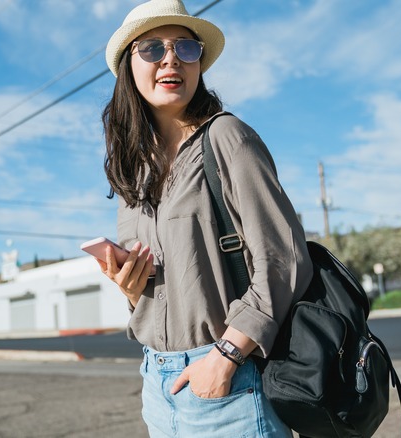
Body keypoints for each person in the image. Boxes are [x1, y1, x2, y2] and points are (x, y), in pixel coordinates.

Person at [97, 1, 312, 436]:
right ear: (128, 66)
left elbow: (284, 258)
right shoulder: (132, 171)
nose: (171, 59)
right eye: (152, 48)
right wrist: (131, 289)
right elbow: (174, 286)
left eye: (185, 48)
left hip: (230, 380)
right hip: (157, 385)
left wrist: (227, 357)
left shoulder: (227, 138)